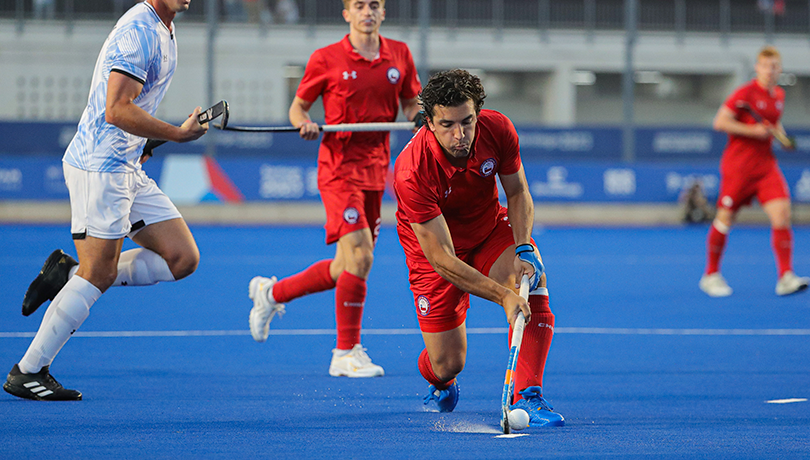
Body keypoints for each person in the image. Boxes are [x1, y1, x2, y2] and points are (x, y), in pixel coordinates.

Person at [3, 0, 208, 401]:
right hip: (101, 168)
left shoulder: (165, 28)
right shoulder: (139, 31)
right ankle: (27, 371)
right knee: (100, 274)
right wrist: (178, 134)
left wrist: (148, 140)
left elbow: (132, 107)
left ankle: (70, 272)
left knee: (182, 259)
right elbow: (115, 110)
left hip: (126, 164)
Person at [248, 0, 421, 377]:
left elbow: (409, 103)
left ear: (383, 12)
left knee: (346, 266)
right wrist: (304, 124)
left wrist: (419, 118)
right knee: (361, 258)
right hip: (338, 170)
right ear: (347, 14)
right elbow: (298, 108)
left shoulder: (400, 54)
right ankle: (345, 352)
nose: (367, 11)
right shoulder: (326, 58)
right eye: (359, 5)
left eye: (374, 4)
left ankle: (270, 294)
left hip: (377, 172)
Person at [392, 69, 564, 427]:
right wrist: (502, 296)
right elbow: (441, 258)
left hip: (488, 231)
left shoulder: (498, 129)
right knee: (447, 363)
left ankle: (528, 396)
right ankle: (440, 381)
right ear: (428, 123)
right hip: (436, 253)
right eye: (447, 125)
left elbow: (517, 191)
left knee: (534, 283)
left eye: (467, 122)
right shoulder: (412, 171)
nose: (460, 135)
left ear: (478, 113)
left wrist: (523, 247)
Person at [700, 45, 809, 297]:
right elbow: (720, 122)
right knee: (725, 218)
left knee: (782, 214)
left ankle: (785, 276)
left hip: (765, 166)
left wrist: (783, 139)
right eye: (765, 66)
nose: (770, 71)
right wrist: (753, 131)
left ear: (780, 69)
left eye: (775, 67)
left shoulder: (779, 96)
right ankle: (711, 274)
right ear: (757, 68)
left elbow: (774, 123)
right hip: (738, 167)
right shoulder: (745, 93)